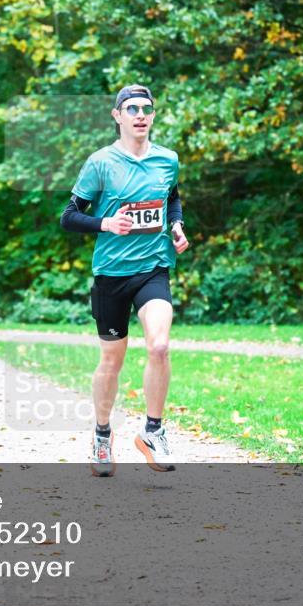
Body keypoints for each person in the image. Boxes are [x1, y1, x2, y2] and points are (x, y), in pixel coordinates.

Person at [59, 84, 190, 476]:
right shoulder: (100, 163)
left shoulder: (168, 159)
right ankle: (101, 435)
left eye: (146, 108)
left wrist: (178, 224)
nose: (140, 115)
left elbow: (172, 197)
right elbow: (68, 216)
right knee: (111, 362)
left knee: (160, 345)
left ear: (152, 115)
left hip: (153, 268)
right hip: (111, 275)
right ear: (117, 116)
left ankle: (153, 431)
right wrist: (106, 223)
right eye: (131, 108)